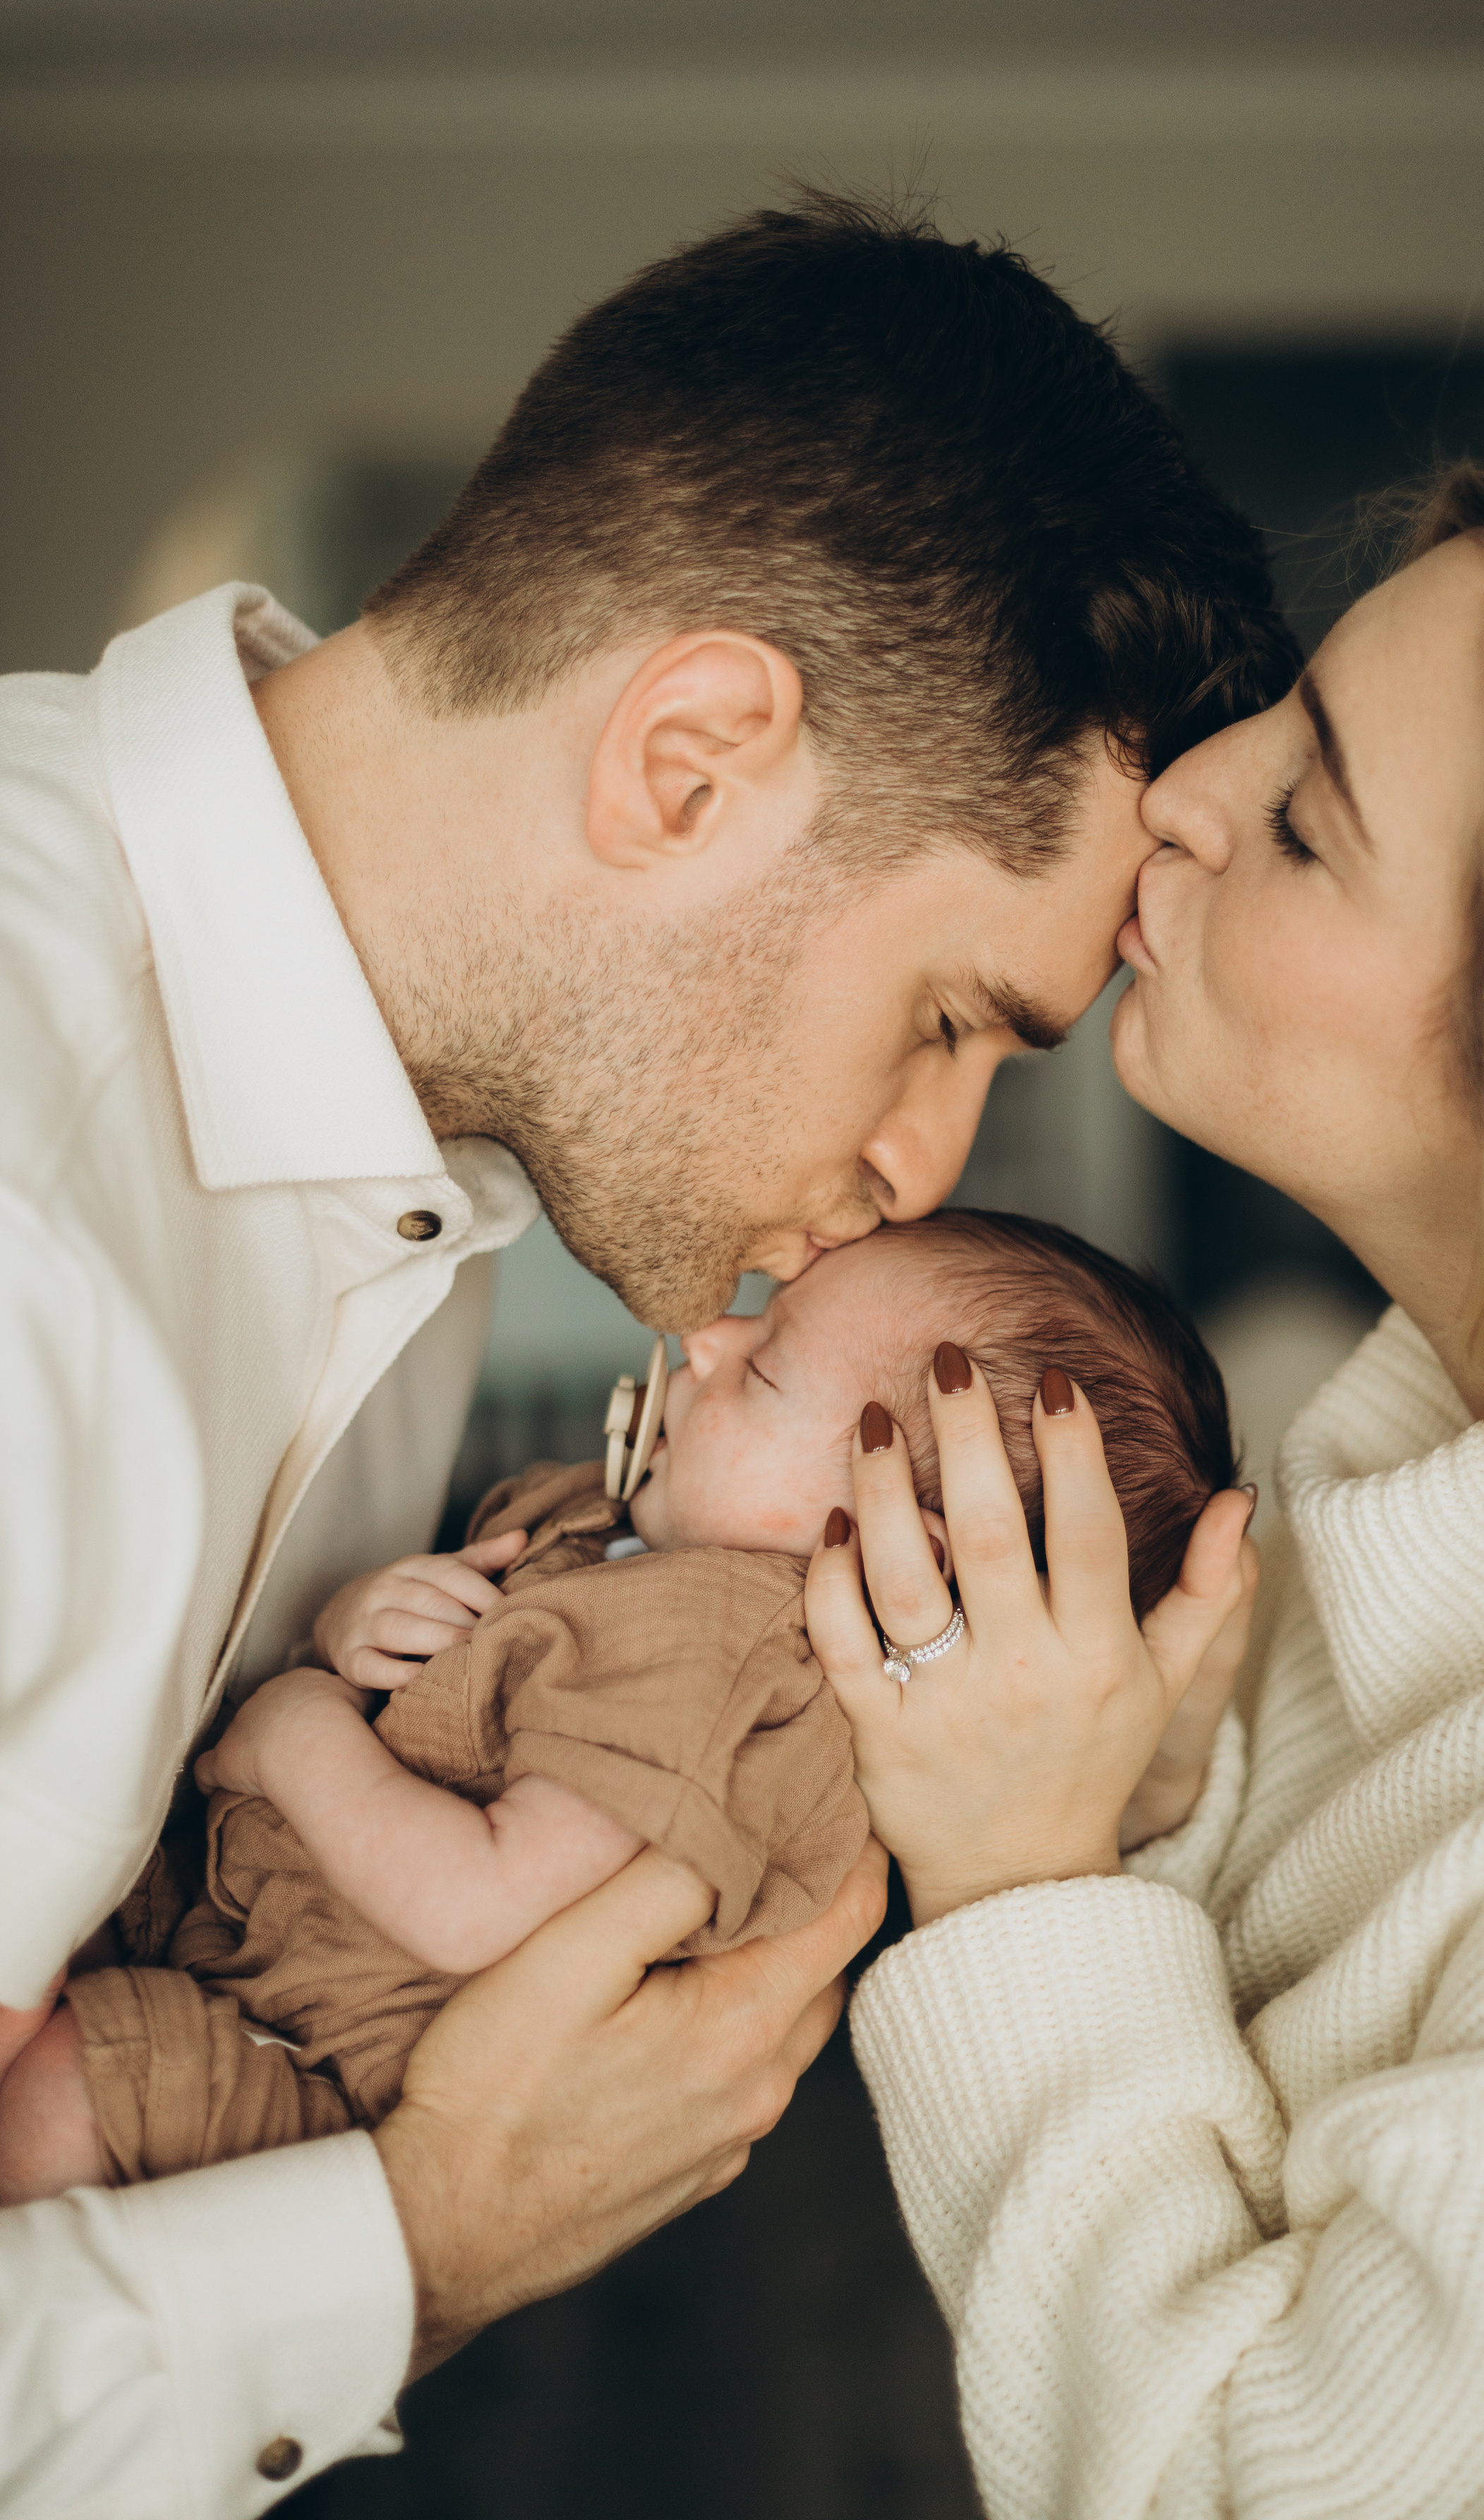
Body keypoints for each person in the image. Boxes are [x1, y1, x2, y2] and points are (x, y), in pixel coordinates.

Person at [0, 189, 1293, 2510]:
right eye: (947, 1018)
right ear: (689, 761)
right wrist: (415, 2246)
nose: (925, 1168)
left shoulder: (410, 1196)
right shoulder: (27, 1216)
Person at [810, 436, 1484, 2517]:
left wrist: (1020, 1888)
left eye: (1312, 820)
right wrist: (1147, 1800)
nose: (1178, 789)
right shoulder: (1415, 1473)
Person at [0, 1210, 1237, 2202]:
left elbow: (473, 1902)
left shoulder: (726, 1667)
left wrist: (296, 1726)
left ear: (896, 1562)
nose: (709, 1341)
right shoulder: (641, 1529)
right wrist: (366, 1619)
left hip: (323, 2059)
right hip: (233, 1928)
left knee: (49, 2108)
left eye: (770, 1370)